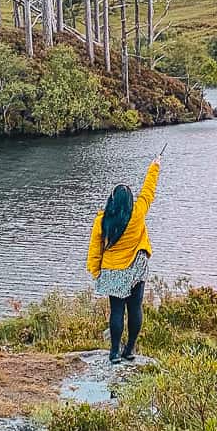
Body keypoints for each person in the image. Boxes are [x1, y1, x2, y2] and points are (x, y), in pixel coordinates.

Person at [86, 155, 161, 365]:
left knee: (116, 310)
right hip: (136, 269)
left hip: (112, 270)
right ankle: (129, 349)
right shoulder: (137, 213)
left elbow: (95, 248)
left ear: (111, 200)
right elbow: (148, 191)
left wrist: (95, 270)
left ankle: (113, 353)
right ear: (130, 201)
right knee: (135, 308)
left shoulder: (102, 220)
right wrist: (154, 167)